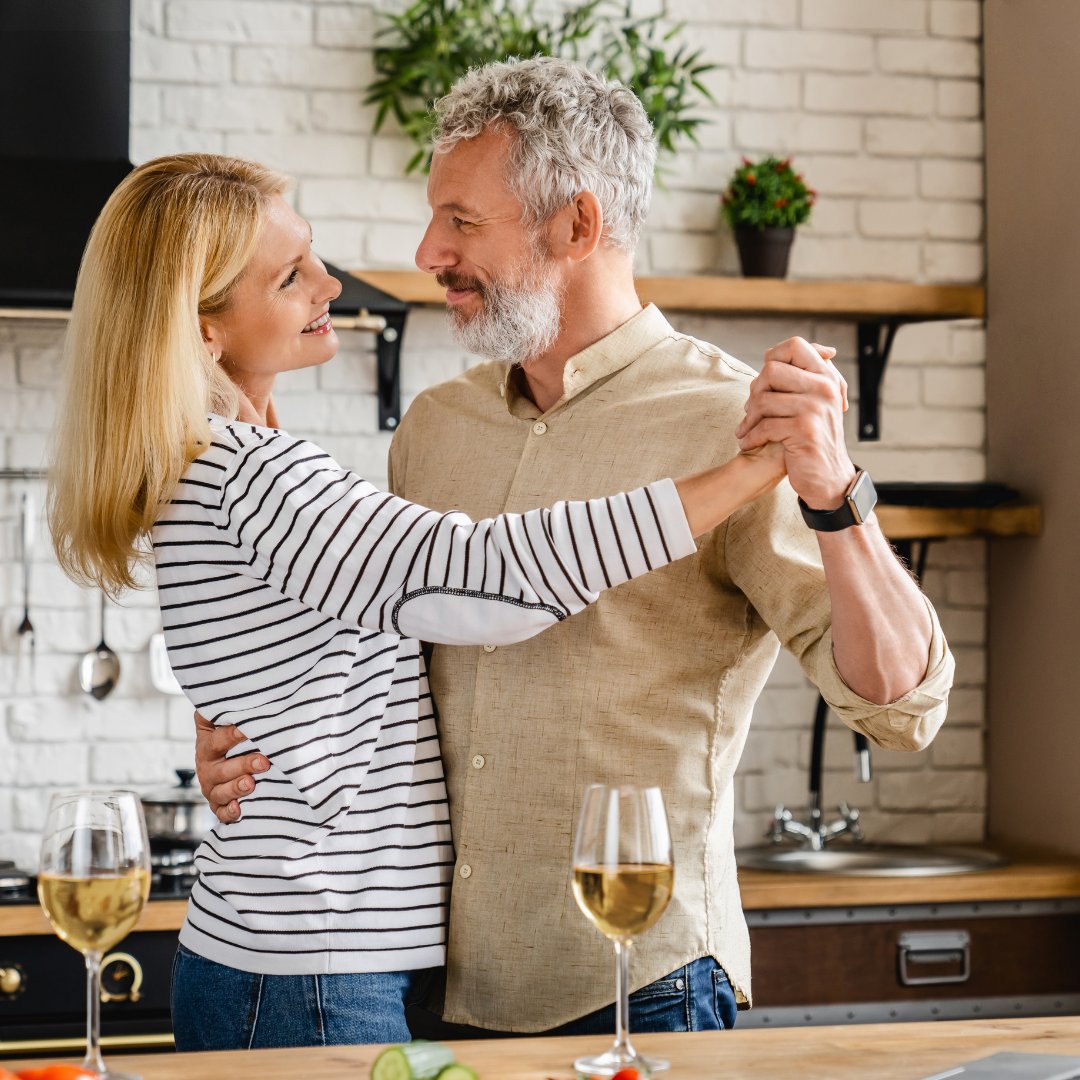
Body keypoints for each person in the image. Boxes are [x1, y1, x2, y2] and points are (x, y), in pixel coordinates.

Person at [197, 57, 955, 1037]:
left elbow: (903, 709)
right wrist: (250, 737)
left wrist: (836, 496)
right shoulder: (434, 429)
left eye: (463, 222)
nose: (428, 250)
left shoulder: (738, 426)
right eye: (436, 216)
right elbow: (373, 669)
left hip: (639, 984)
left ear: (578, 227)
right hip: (430, 991)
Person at [46, 152, 791, 1051]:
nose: (330, 281)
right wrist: (749, 472)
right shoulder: (256, 478)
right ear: (205, 331)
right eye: (290, 277)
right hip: (313, 968)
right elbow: (488, 580)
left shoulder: (205, 469)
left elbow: (301, 675)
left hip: (277, 956)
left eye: (311, 253)